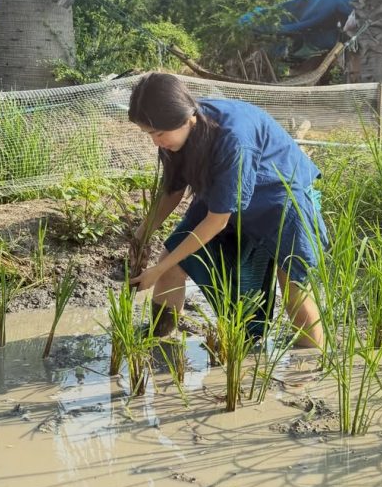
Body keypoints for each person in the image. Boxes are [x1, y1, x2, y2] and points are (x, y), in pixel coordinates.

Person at [127, 72, 325, 348]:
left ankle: (310, 361)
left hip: (282, 202)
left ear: (187, 118)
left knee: (293, 288)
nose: (155, 142)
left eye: (159, 134)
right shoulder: (174, 137)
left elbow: (216, 221)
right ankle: (159, 339)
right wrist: (141, 235)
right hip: (223, 197)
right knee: (173, 259)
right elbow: (172, 190)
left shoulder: (233, 138)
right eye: (149, 134)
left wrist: (157, 270)